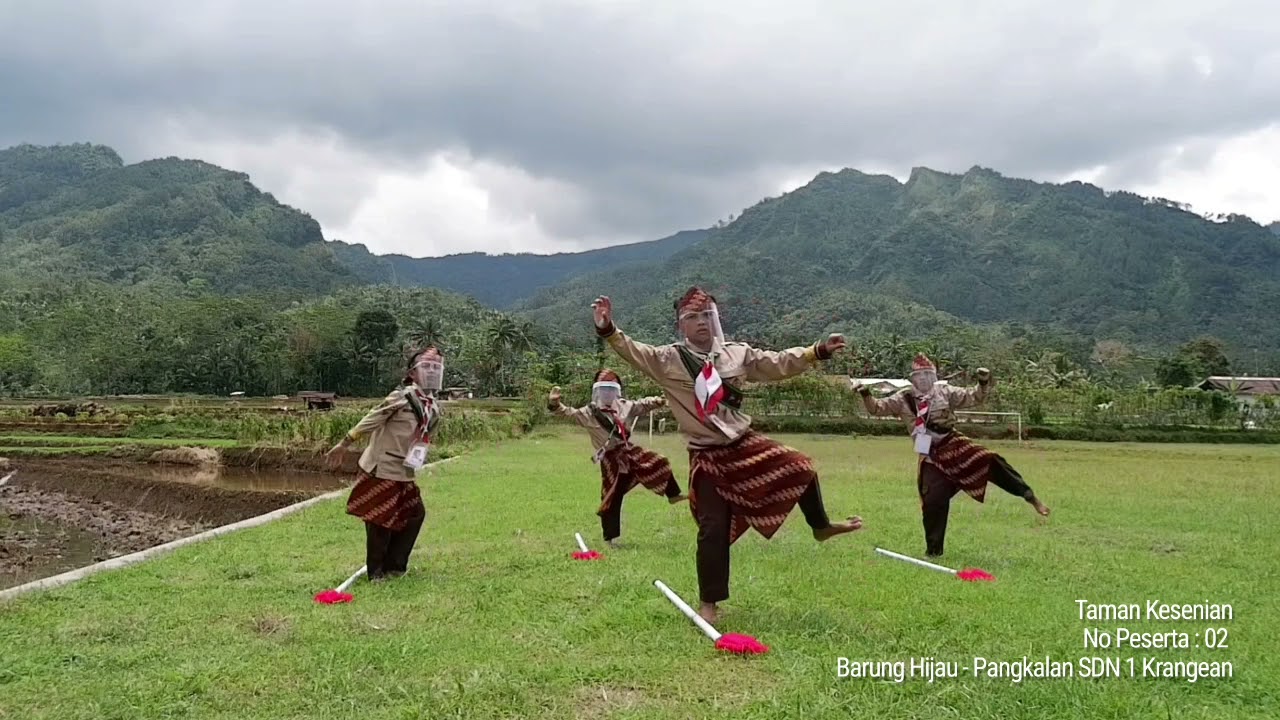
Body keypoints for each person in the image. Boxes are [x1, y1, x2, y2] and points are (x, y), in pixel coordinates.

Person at [592, 287, 863, 623]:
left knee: (800, 466)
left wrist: (816, 351)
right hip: (705, 455)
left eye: (707, 315)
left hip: (743, 442)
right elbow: (632, 350)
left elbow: (777, 363)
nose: (701, 322)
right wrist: (608, 328)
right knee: (712, 529)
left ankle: (820, 526)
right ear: (681, 325)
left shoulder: (738, 354)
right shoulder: (667, 359)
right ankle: (709, 604)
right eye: (692, 317)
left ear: (716, 318)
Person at [853, 353, 1050, 558]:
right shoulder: (903, 398)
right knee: (933, 501)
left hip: (953, 443)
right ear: (913, 378)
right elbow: (877, 408)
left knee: (991, 460)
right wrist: (866, 393)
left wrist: (982, 382)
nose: (924, 380)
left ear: (934, 376)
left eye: (928, 375)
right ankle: (934, 552)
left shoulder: (944, 392)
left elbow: (974, 397)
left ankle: (1030, 497)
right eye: (919, 376)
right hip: (930, 454)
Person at [325, 347, 445, 581]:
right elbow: (373, 418)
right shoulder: (400, 397)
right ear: (412, 373)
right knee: (380, 520)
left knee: (413, 514)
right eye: (426, 366)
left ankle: (395, 567)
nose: (431, 372)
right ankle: (376, 573)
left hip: (405, 469)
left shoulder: (433, 406)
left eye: (436, 367)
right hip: (383, 466)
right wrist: (345, 443)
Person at [548, 368, 687, 548]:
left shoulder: (624, 406)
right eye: (603, 389)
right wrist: (554, 404)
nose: (607, 393)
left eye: (611, 389)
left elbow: (642, 405)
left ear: (616, 391)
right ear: (597, 391)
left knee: (657, 461)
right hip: (610, 459)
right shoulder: (589, 412)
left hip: (628, 451)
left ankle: (673, 494)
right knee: (612, 496)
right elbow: (567, 413)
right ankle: (610, 539)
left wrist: (659, 401)